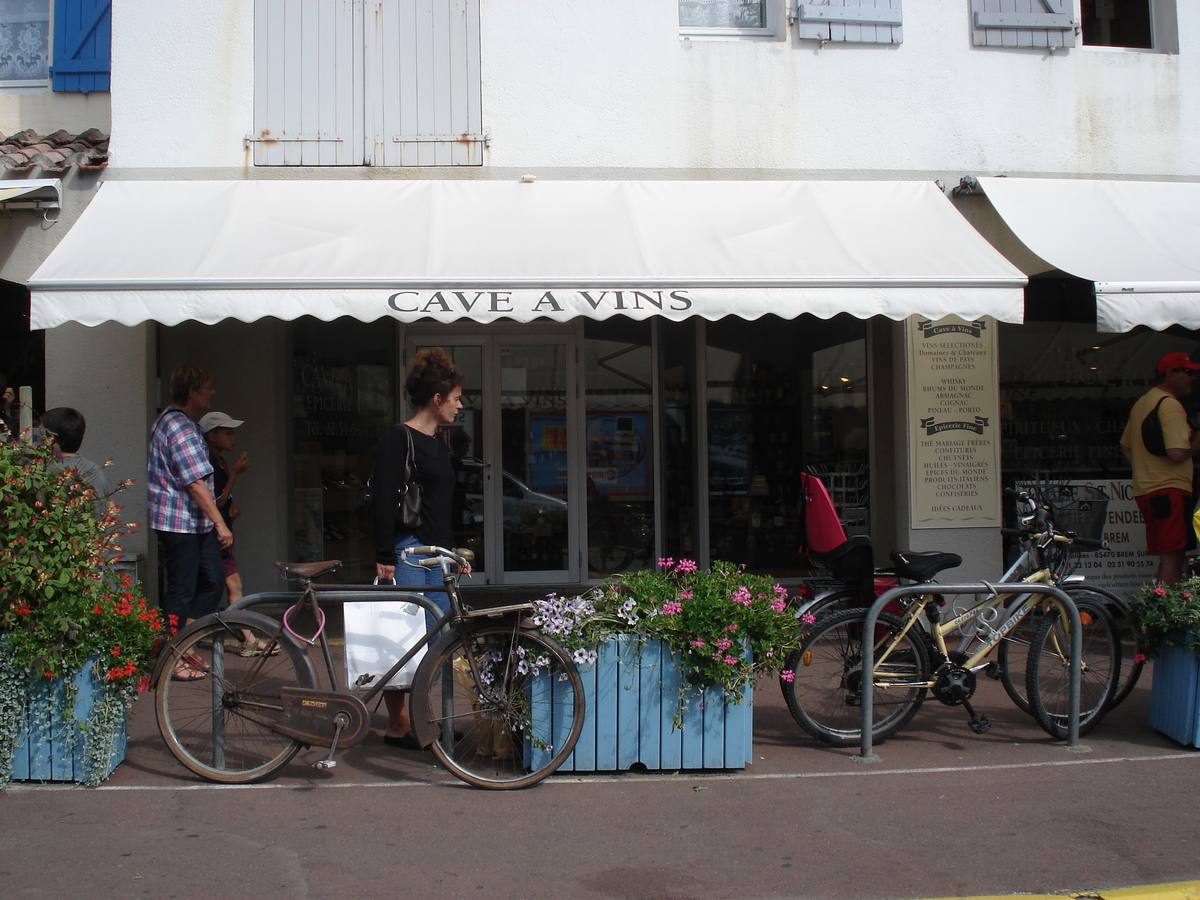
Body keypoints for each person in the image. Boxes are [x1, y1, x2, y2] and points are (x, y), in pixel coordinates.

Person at [371, 348, 469, 749]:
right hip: (408, 552)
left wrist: (455, 553)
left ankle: (426, 721)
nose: (461, 405)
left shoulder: (437, 443)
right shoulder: (401, 437)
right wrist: (383, 554)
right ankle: (401, 725)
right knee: (404, 642)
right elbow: (382, 497)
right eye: (457, 398)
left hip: (436, 557)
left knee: (438, 644)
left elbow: (441, 505)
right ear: (437, 399)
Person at [148, 366, 233, 679]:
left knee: (212, 579)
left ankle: (182, 640)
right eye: (207, 387)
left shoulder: (180, 423)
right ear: (192, 392)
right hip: (179, 522)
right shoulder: (180, 427)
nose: (212, 392)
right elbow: (195, 482)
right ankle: (173, 656)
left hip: (193, 523)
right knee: (181, 590)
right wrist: (220, 523)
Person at [1120, 351, 1200, 586]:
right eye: (1187, 372)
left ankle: (1161, 609)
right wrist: (1196, 442)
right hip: (1169, 489)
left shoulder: (1143, 402)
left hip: (1147, 490)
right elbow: (1176, 453)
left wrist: (1145, 468)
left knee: (1168, 553)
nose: (1192, 377)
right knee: (1173, 556)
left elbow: (1125, 445)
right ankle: (1163, 614)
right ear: (1171, 375)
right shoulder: (1170, 405)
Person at [199, 411, 267, 656]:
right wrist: (236, 475)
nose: (233, 438)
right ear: (212, 436)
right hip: (211, 536)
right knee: (216, 585)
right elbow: (214, 501)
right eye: (227, 433)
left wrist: (232, 503)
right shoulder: (207, 462)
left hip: (222, 536)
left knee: (233, 583)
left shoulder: (220, 462)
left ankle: (248, 637)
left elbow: (224, 497)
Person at [40, 407, 109, 517]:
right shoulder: (94, 469)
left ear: (52, 438)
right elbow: (110, 509)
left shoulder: (48, 470)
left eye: (42, 432)